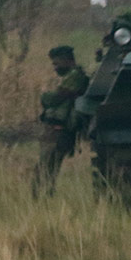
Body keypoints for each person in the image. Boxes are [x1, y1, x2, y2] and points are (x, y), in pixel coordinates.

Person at [32, 45, 90, 197]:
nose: (55, 67)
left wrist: (45, 97)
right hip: (57, 127)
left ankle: (40, 197)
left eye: (57, 63)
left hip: (59, 129)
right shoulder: (71, 76)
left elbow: (57, 97)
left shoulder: (75, 76)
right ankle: (44, 196)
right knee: (48, 167)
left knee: (45, 167)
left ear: (67, 60)